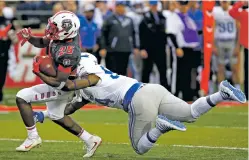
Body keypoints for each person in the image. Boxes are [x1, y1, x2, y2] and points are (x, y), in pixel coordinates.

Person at [34, 52, 246, 155]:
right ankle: (222, 94)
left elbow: (72, 86)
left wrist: (41, 75)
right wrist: (43, 115)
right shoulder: (85, 83)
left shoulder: (90, 74)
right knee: (191, 113)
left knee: (140, 147)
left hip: (137, 100)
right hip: (151, 89)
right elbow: (69, 106)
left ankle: (161, 128)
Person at [15, 11, 101, 158]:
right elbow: (42, 42)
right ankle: (90, 139)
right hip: (59, 83)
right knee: (57, 115)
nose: (51, 29)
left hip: (61, 88)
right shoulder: (61, 37)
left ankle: (33, 137)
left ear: (67, 30)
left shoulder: (69, 51)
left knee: (22, 97)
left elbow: (59, 82)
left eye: (55, 27)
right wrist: (29, 38)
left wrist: (39, 73)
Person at [100, 1, 138, 76]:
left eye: (123, 6)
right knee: (112, 73)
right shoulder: (109, 19)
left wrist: (135, 46)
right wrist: (103, 47)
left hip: (126, 50)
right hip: (112, 51)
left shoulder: (129, 19)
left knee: (123, 73)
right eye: (119, 6)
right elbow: (103, 34)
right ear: (116, 7)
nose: (121, 8)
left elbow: (133, 34)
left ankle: (122, 88)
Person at [139, 0, 169, 89]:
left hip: (160, 48)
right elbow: (141, 34)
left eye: (155, 5)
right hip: (149, 49)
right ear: (150, 6)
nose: (154, 7)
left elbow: (165, 33)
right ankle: (142, 91)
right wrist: (142, 48)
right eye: (152, 5)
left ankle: (165, 91)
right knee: (146, 71)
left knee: (163, 71)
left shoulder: (162, 16)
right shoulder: (145, 18)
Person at [229, 1, 248, 99]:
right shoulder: (244, 14)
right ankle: (247, 95)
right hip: (246, 46)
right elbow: (232, 12)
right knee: (246, 71)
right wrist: (241, 3)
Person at [0, 1, 17, 103]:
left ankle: (0, 94)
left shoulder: (7, 21)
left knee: (2, 74)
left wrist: (10, 35)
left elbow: (15, 40)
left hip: (4, 51)